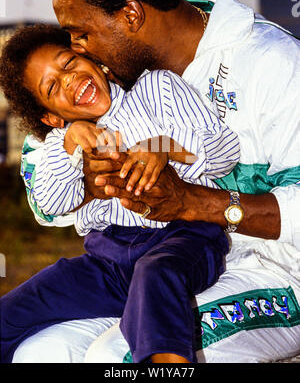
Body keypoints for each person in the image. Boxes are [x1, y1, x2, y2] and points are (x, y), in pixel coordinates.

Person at [4, 0, 300, 363]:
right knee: (41, 354)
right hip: (130, 266)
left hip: (277, 271)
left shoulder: (273, 64)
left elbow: (215, 155)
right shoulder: (107, 78)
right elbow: (42, 190)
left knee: (118, 357)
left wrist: (189, 199)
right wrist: (86, 176)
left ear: (130, 15)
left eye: (79, 34)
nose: (76, 48)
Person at [0, 24, 239, 363]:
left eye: (67, 63)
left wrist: (163, 149)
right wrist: (69, 147)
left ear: (89, 57)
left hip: (185, 238)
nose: (68, 79)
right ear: (51, 117)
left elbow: (223, 150)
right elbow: (52, 203)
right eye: (52, 86)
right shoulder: (61, 142)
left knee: (155, 275)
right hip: (107, 260)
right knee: (11, 313)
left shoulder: (157, 88)